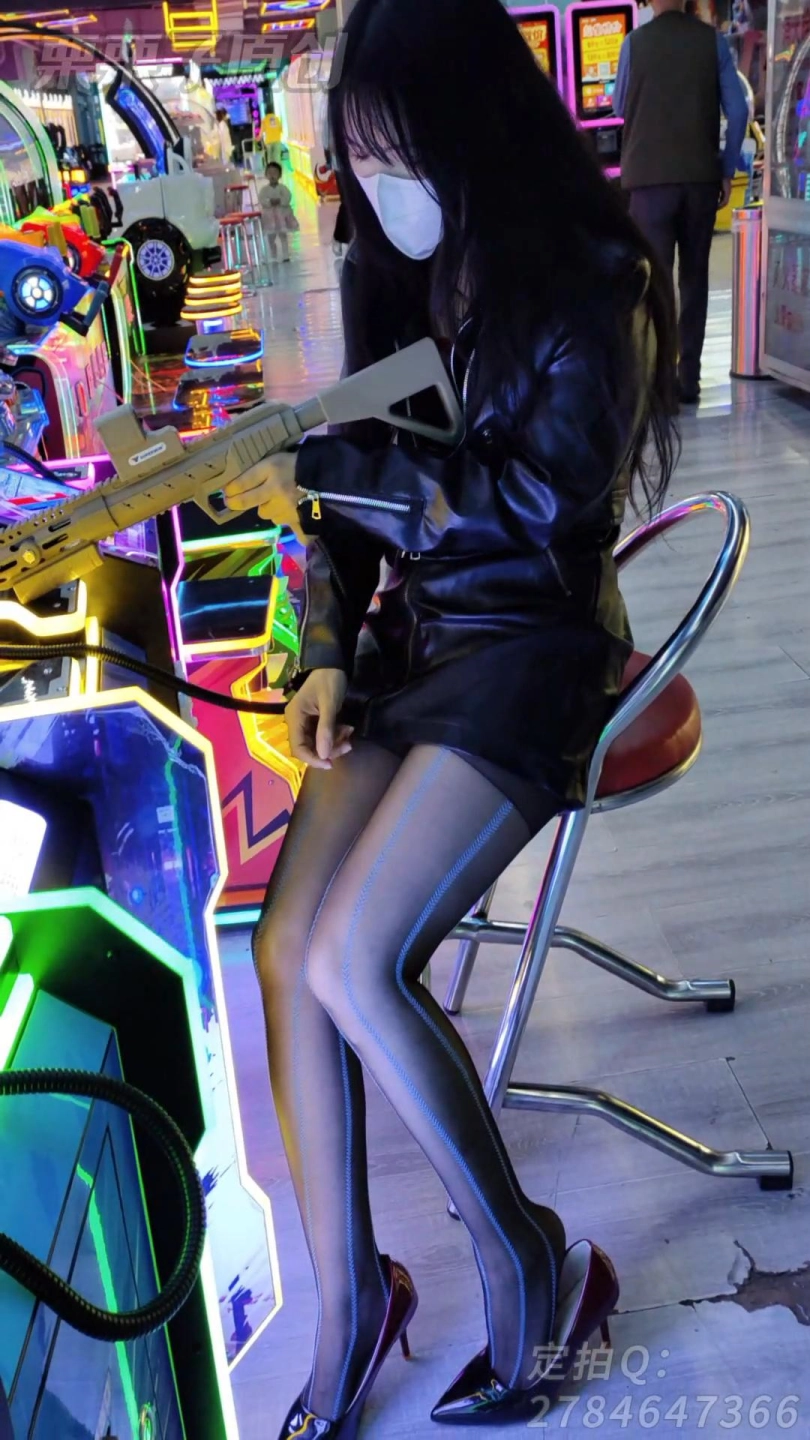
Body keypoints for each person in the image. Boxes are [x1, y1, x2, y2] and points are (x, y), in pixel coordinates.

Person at [223, 0, 678, 1434]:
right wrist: (323, 650)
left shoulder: (594, 278)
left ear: (470, 124)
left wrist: (332, 476)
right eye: (357, 153)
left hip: (534, 650)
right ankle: (351, 1305)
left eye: (393, 146)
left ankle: (530, 1257)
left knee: (356, 960)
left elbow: (537, 507)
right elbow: (354, 503)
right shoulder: (396, 267)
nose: (375, 181)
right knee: (285, 952)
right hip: (415, 649)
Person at [613, 0, 749, 403]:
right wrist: (726, 166)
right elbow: (738, 110)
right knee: (694, 279)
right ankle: (688, 378)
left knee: (655, 283)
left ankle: (659, 383)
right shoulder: (712, 42)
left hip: (648, 183)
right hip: (699, 179)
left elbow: (620, 105)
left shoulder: (634, 43)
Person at [259, 160, 297, 261]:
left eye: (275, 173)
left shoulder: (283, 188)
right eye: (270, 173)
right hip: (269, 217)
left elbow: (288, 197)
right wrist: (269, 202)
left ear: (279, 175)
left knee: (283, 235)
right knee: (270, 237)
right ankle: (273, 255)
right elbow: (262, 200)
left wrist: (280, 201)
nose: (272, 175)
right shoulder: (264, 190)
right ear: (266, 175)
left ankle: (286, 255)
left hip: (281, 216)